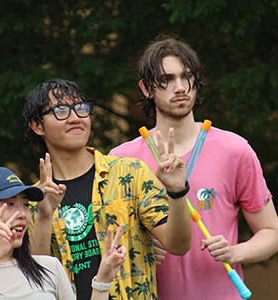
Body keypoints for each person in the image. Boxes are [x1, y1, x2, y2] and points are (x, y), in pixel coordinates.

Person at [109, 36, 278, 299]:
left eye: (186, 76)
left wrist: (236, 252)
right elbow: (107, 242)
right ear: (146, 88)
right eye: (166, 80)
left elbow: (272, 232)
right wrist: (136, 249)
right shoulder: (121, 160)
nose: (180, 87)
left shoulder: (234, 149)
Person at [23, 78, 192, 300]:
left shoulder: (130, 173)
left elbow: (178, 245)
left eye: (81, 108)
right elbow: (35, 281)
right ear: (37, 126)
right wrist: (44, 216)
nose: (75, 118)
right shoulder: (32, 200)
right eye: (61, 111)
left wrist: (177, 193)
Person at [0, 166, 127, 300]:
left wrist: (102, 281)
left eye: (26, 205)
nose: (21, 214)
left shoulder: (49, 267)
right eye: (10, 204)